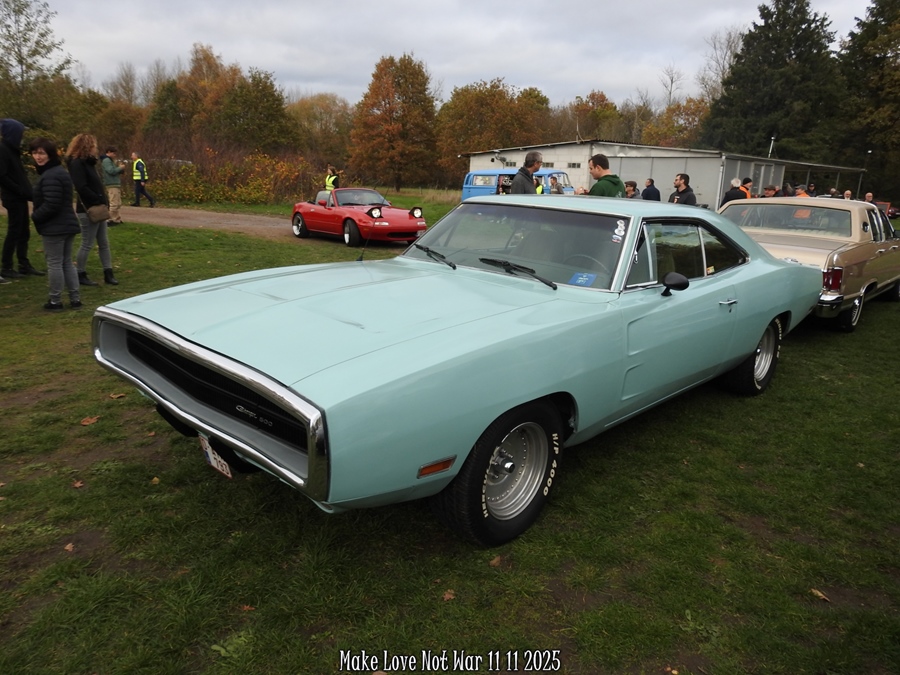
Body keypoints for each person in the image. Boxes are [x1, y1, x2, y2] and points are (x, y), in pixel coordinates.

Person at [29, 138, 81, 311]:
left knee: (55, 263)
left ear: (50, 154)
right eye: (35, 153)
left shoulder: (51, 175)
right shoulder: (58, 172)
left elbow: (52, 203)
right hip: (66, 224)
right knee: (66, 262)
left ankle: (55, 300)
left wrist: (35, 216)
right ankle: (75, 299)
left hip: (55, 226)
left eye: (41, 153)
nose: (38, 157)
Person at [67, 134, 118, 287]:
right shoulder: (77, 164)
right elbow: (81, 187)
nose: (96, 149)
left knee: (103, 242)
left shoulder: (89, 163)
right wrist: (97, 199)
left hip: (98, 207)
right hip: (88, 209)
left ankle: (108, 272)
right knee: (87, 243)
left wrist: (102, 201)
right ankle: (80, 273)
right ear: (87, 146)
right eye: (94, 146)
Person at [0, 118, 42, 279]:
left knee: (24, 231)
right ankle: (7, 266)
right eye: (21, 133)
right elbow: (3, 176)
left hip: (20, 197)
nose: (22, 136)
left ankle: (23, 263)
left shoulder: (13, 150)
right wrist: (19, 190)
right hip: (13, 198)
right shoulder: (3, 150)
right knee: (14, 231)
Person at [100, 146, 125, 225]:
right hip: (111, 183)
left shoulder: (111, 160)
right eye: (113, 153)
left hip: (115, 183)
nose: (115, 155)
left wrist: (120, 170)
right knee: (114, 203)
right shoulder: (106, 161)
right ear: (109, 152)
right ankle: (110, 219)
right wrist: (120, 168)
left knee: (118, 203)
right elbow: (111, 171)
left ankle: (116, 218)